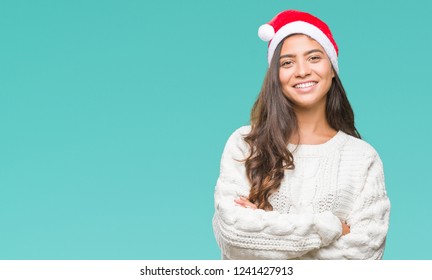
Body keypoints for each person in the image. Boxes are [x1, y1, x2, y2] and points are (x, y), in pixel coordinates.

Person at [212, 10, 391, 260]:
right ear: (276, 76)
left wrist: (268, 230)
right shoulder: (245, 145)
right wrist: (333, 228)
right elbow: (234, 237)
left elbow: (365, 257)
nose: (302, 71)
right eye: (287, 62)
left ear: (332, 69)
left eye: (314, 58)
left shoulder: (362, 159)